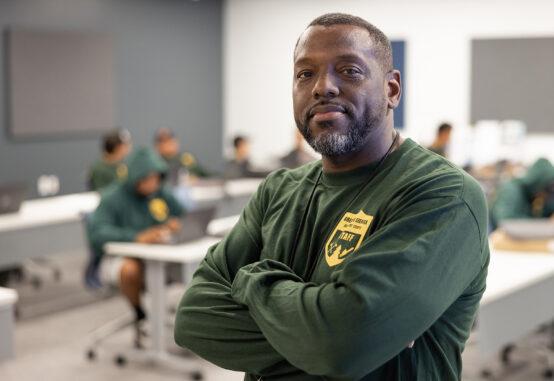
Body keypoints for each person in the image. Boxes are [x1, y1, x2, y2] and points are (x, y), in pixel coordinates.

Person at [174, 13, 489, 381]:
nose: (323, 87)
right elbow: (194, 319)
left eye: (349, 70)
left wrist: (250, 280)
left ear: (392, 90)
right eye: (305, 74)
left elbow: (345, 345)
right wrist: (327, 338)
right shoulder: (278, 190)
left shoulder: (443, 194)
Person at [87, 147, 184, 344]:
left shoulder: (160, 191)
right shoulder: (112, 198)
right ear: (136, 178)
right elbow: (97, 234)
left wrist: (175, 223)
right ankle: (140, 314)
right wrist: (137, 237)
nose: (152, 184)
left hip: (158, 256)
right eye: (147, 180)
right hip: (120, 258)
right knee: (130, 270)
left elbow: (183, 214)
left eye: (156, 179)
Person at [490, 158, 554, 228]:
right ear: (537, 183)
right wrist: (547, 223)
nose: (545, 196)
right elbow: (504, 222)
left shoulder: (539, 196)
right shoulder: (510, 190)